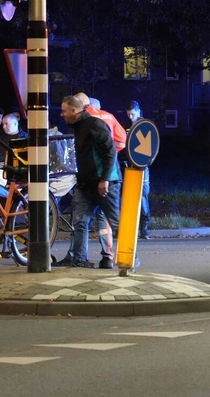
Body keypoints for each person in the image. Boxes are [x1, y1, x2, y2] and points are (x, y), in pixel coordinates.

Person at [56, 95, 120, 269]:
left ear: (74, 111)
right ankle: (77, 259)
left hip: (105, 184)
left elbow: (110, 152)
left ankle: (128, 257)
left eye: (64, 111)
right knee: (79, 221)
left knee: (114, 222)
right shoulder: (78, 127)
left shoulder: (95, 125)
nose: (61, 114)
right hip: (86, 184)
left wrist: (104, 179)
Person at [123, 100, 150, 239]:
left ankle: (144, 229)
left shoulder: (144, 126)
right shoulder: (127, 125)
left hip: (142, 166)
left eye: (132, 114)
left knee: (143, 196)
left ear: (138, 111)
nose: (130, 117)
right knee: (130, 197)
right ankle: (131, 228)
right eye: (128, 114)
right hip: (129, 165)